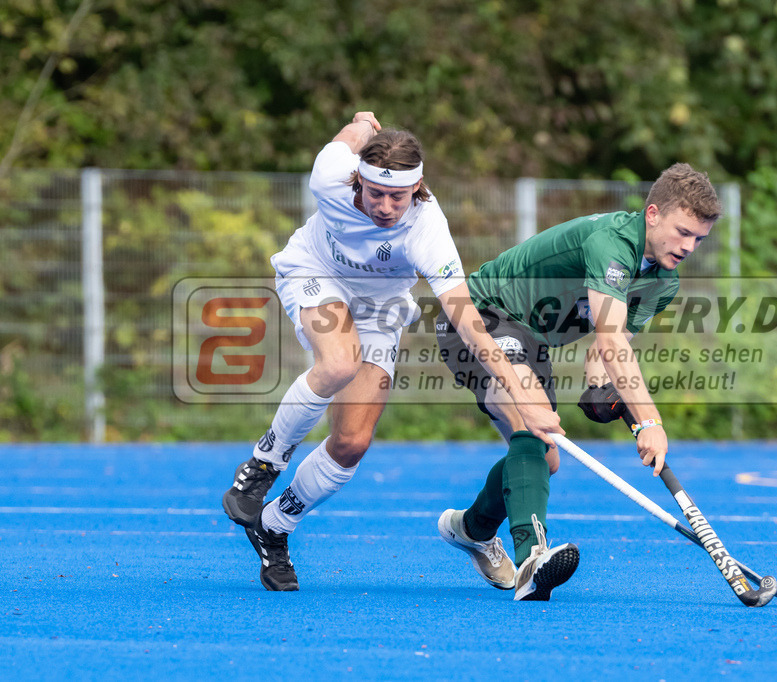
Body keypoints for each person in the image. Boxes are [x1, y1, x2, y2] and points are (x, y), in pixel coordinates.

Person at [221, 111, 562, 591]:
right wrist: (362, 123)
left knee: (351, 444)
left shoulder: (427, 229)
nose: (384, 206)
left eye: (397, 196)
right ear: (357, 179)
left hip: (380, 309)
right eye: (375, 193)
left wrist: (524, 397)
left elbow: (470, 324)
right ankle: (263, 464)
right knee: (339, 361)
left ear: (416, 188)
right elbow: (348, 136)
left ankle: (274, 526)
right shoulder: (329, 177)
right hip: (314, 274)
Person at [434, 163, 721, 601]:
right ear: (653, 213)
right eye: (682, 232)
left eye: (698, 239)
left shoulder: (663, 282)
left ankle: (471, 529)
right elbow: (609, 339)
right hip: (479, 318)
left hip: (531, 342)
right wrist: (648, 422)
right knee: (532, 426)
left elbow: (604, 352)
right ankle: (533, 559)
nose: (689, 246)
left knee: (544, 459)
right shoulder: (611, 243)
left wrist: (602, 389)